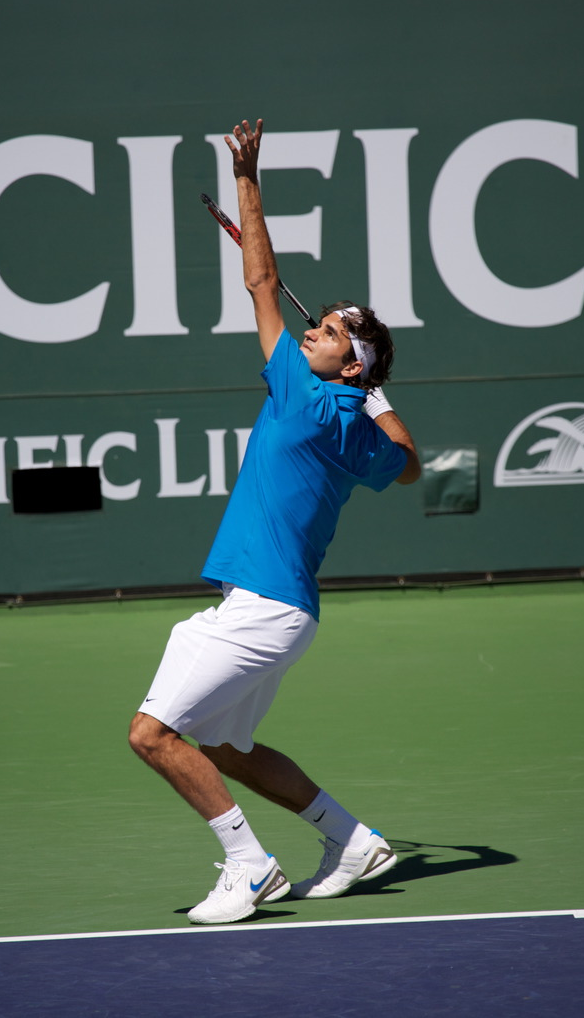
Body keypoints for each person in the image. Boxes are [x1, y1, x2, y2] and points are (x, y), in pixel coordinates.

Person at [128, 117, 421, 925]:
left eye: (326, 333)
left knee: (152, 735)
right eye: (315, 325)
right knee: (226, 748)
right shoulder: (361, 428)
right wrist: (376, 396)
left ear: (346, 364)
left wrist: (247, 181)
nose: (309, 331)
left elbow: (262, 282)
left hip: (262, 605)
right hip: (287, 611)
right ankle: (352, 840)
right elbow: (409, 462)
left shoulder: (303, 394)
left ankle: (249, 866)